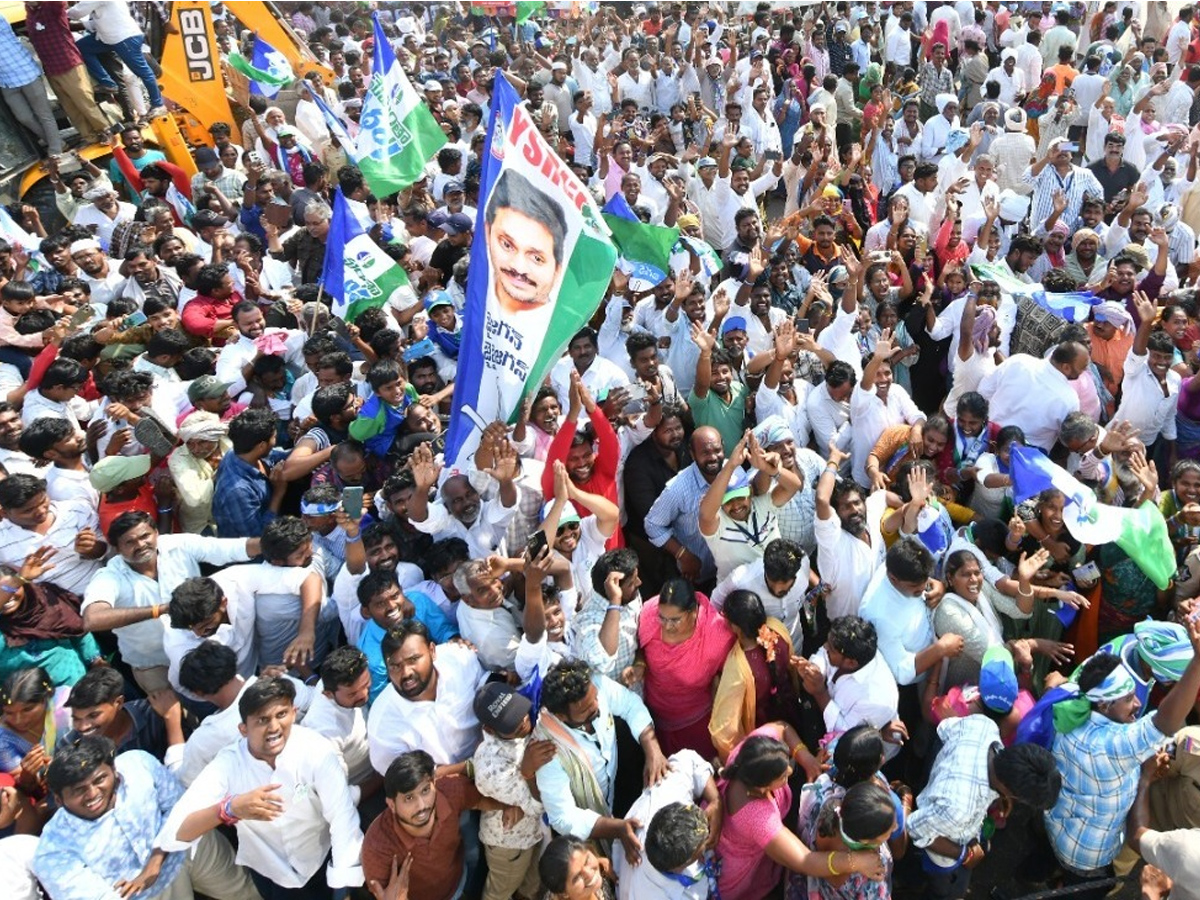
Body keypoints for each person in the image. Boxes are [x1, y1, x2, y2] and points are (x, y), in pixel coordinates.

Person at [160, 677, 364, 899]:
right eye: (262, 720)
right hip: (265, 868)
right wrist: (229, 809)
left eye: (281, 715)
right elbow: (176, 831)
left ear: (294, 713)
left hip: (316, 862)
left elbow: (342, 817)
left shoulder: (316, 750)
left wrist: (344, 878)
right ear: (243, 729)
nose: (274, 727)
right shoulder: (228, 764)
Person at [715, 724, 884, 900]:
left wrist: (805, 758)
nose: (790, 770)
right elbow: (805, 860)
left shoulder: (754, 752)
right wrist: (856, 861)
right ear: (762, 787)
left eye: (788, 761)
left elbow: (783, 727)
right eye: (783, 777)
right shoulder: (757, 817)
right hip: (739, 877)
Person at [908, 716, 1061, 900]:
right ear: (1010, 790)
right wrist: (965, 854)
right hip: (941, 854)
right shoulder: (959, 809)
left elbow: (943, 730)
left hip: (940, 798)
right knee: (946, 891)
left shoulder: (984, 726)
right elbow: (914, 827)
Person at [362, 749, 518, 900]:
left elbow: (478, 799)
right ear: (391, 804)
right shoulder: (377, 847)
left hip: (456, 882)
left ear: (434, 784)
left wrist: (507, 805)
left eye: (425, 791)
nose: (421, 805)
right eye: (409, 798)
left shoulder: (449, 790)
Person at [638, 578, 734, 759]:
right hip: (652, 720)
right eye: (663, 618)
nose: (666, 625)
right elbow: (639, 649)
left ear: (693, 613)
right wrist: (639, 664)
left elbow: (725, 680)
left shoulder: (717, 635)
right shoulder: (649, 614)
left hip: (696, 724)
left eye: (675, 620)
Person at [484, 168, 567, 315]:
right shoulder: (477, 293)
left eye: (536, 258)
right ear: (487, 233)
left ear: (557, 271)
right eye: (507, 245)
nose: (518, 268)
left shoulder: (558, 327)